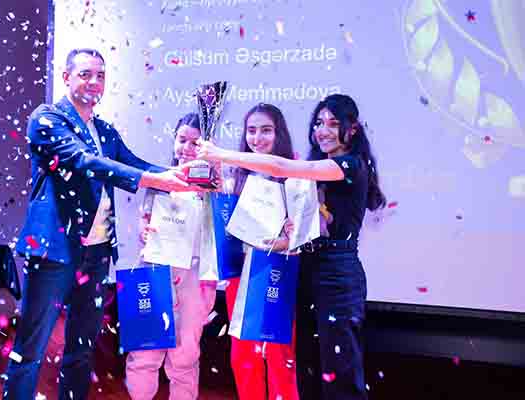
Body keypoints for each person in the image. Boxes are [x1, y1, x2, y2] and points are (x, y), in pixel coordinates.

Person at [3, 48, 200, 400]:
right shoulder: (46, 118)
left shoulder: (105, 130)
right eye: (85, 74)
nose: (94, 82)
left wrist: (183, 176)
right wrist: (157, 180)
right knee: (30, 349)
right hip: (53, 252)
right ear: (66, 78)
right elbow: (84, 162)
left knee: (81, 350)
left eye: (101, 75)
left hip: (96, 254)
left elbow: (136, 163)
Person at [196, 94, 386, 400]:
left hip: (337, 275)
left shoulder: (349, 165)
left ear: (352, 129)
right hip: (306, 271)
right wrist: (287, 239)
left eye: (333, 124)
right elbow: (311, 227)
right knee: (306, 369)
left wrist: (221, 154)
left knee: (340, 370)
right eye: (319, 123)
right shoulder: (318, 169)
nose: (323, 130)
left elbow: (280, 166)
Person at [125, 113, 217, 400]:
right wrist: (144, 230)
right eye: (182, 140)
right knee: (144, 353)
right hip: (154, 271)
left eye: (195, 143)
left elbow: (218, 237)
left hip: (193, 277)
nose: (187, 148)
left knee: (185, 356)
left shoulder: (214, 188)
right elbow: (145, 221)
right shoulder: (159, 179)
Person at [225, 103, 299, 400]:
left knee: (280, 355)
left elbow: (305, 233)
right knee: (244, 357)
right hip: (240, 275)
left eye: (266, 130)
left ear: (279, 133)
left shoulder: (295, 176)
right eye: (251, 131)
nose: (257, 138)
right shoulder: (236, 177)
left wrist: (290, 237)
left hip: (276, 272)